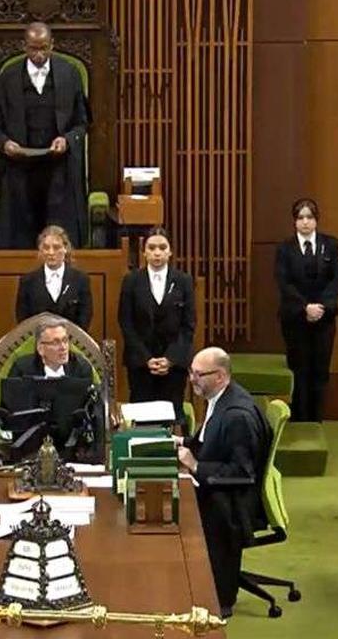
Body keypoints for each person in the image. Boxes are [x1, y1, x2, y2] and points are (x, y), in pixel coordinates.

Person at [174, 347, 270, 619]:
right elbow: (212, 443)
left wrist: (195, 465)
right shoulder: (220, 399)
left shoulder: (237, 416)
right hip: (218, 486)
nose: (192, 380)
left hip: (232, 503)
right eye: (191, 373)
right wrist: (183, 443)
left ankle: (218, 598)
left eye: (198, 374)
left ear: (221, 376)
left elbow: (241, 472)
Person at [0, 22, 89, 248]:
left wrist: (67, 139)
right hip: (20, 167)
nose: (39, 54)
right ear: (24, 46)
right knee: (20, 237)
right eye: (34, 48)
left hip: (59, 169)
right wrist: (5, 144)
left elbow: (82, 124)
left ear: (52, 45)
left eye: (44, 48)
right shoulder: (8, 77)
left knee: (58, 235)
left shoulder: (69, 74)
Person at [274, 198, 338, 423]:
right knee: (299, 368)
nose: (305, 222)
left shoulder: (330, 245)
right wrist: (305, 307)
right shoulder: (285, 248)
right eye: (300, 218)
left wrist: (322, 306)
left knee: (320, 370)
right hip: (295, 318)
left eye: (309, 217)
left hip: (324, 318)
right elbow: (284, 282)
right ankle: (300, 418)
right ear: (294, 221)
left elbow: (337, 277)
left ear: (316, 220)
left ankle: (316, 419)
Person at [118, 228, 196, 427]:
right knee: (142, 420)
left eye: (162, 247)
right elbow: (126, 323)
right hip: (141, 365)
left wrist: (170, 359)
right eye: (152, 248)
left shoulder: (183, 281)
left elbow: (188, 326)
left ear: (170, 252)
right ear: (144, 252)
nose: (157, 253)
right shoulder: (131, 281)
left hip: (173, 366)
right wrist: (146, 359)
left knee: (169, 420)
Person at [15, 224, 93, 327]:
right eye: (46, 248)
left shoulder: (80, 280)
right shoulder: (28, 282)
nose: (51, 252)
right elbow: (23, 320)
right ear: (41, 250)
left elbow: (85, 318)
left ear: (65, 248)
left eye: (56, 247)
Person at [9, 316, 95, 380]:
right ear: (40, 348)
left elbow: (94, 402)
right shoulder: (22, 369)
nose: (63, 347)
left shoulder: (81, 368)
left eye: (65, 340)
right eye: (56, 342)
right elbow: (9, 402)